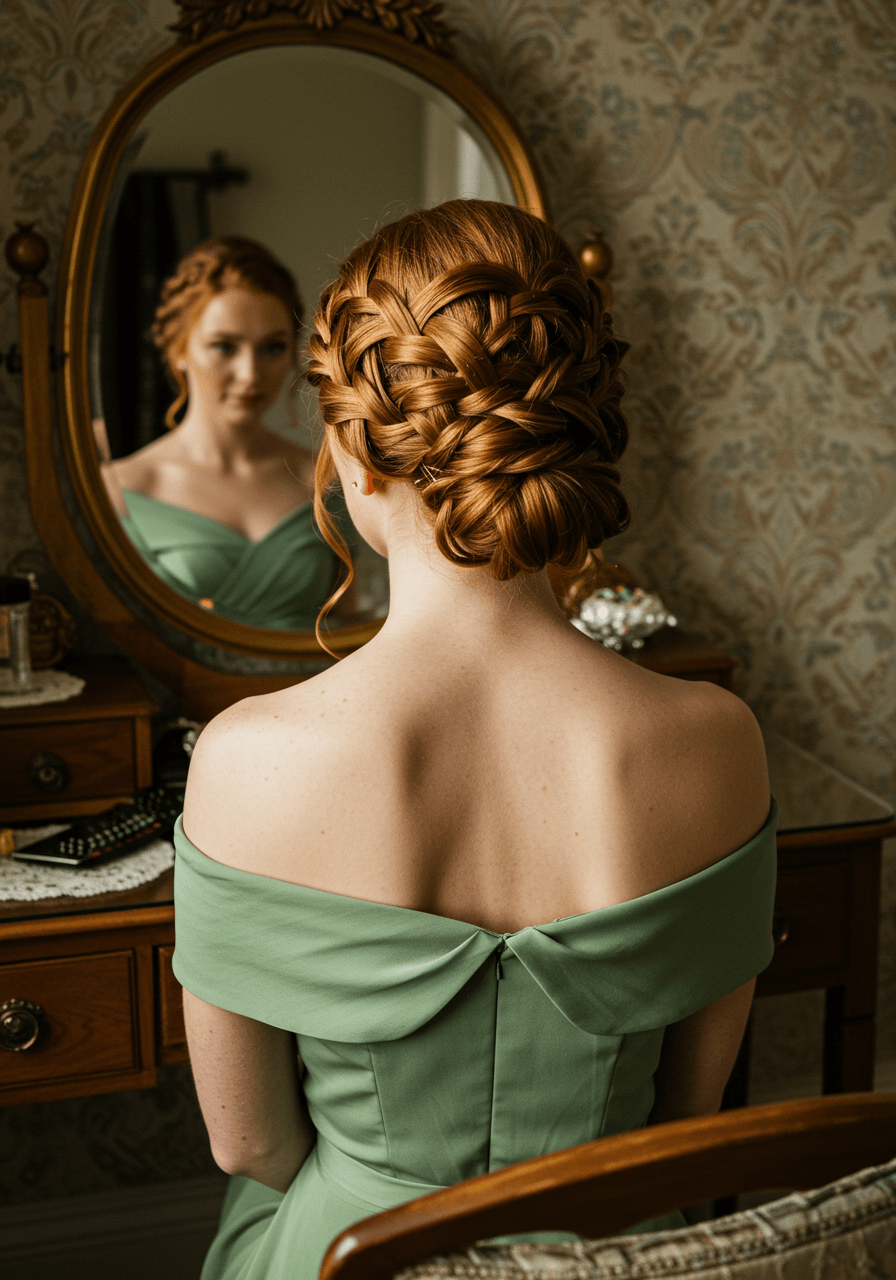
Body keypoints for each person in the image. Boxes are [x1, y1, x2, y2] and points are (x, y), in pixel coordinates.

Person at [173, 200, 776, 1280]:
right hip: (618, 1254)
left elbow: (249, 1146)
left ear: (355, 455)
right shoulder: (719, 740)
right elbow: (688, 1113)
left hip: (352, 1252)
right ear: (575, 437)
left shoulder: (244, 759)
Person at [101, 236, 342, 630]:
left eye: (272, 348)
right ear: (179, 350)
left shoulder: (326, 479)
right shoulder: (119, 490)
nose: (250, 374)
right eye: (225, 347)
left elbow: (350, 629)